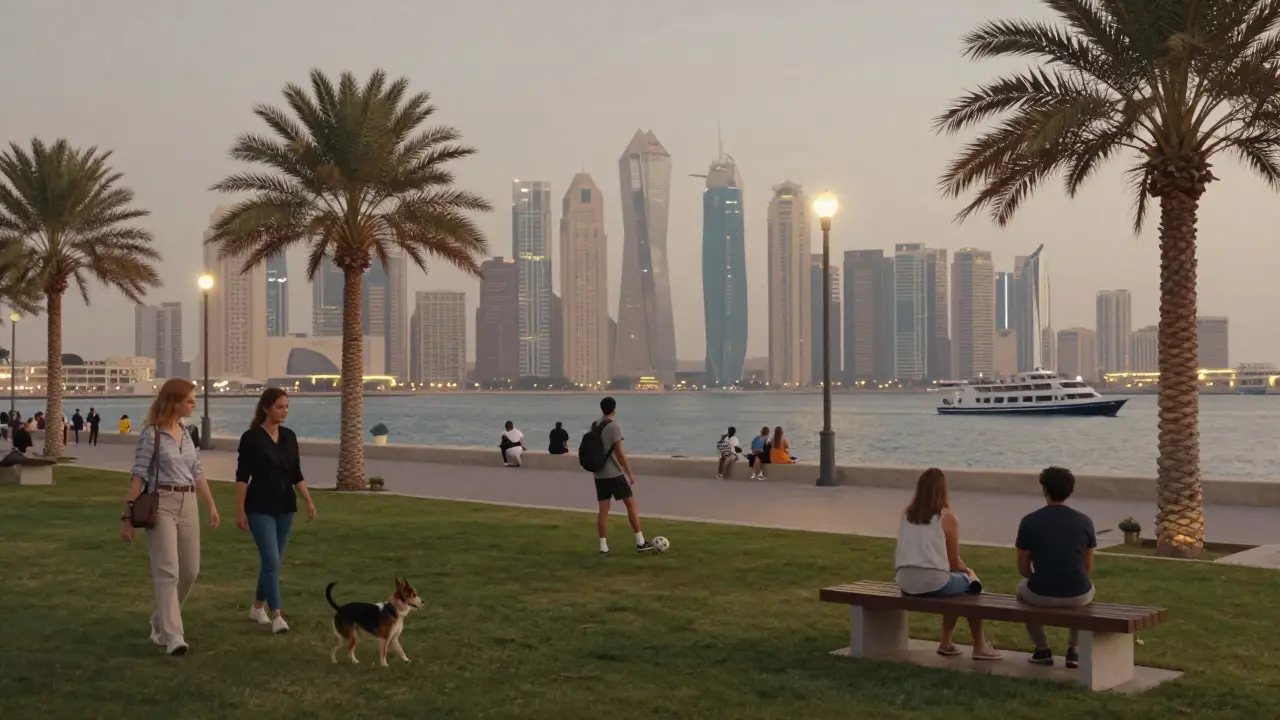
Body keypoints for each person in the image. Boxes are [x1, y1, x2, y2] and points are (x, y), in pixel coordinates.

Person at [119, 378, 221, 656]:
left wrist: (210, 505)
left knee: (190, 571)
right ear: (174, 402)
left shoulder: (187, 434)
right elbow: (138, 477)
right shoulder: (151, 434)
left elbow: (197, 471)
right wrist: (127, 518)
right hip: (161, 502)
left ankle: (160, 618)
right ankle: (174, 635)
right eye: (190, 400)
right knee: (168, 571)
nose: (194, 404)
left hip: (188, 502)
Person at [894, 468, 1001, 660]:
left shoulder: (907, 514)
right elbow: (953, 564)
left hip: (905, 580)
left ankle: (947, 643)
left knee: (956, 585)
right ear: (943, 490)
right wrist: (969, 571)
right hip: (933, 581)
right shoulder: (947, 518)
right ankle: (978, 646)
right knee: (971, 587)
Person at [235, 388, 317, 635]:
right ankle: (277, 615)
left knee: (273, 562)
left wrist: (309, 501)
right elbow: (241, 477)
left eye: (287, 407)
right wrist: (240, 511)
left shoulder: (290, 437)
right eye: (280, 407)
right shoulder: (251, 438)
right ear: (266, 408)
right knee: (271, 560)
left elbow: (296, 474)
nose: (284, 411)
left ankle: (257, 606)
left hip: (285, 506)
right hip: (259, 506)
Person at [1015, 466, 1097, 669]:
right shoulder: (1084, 521)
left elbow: (1023, 568)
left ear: (1045, 490)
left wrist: (1040, 577)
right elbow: (1087, 567)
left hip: (1041, 592)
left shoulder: (1029, 521)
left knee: (1021, 591)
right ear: (1070, 491)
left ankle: (1042, 649)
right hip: (1077, 594)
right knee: (1087, 591)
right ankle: (1074, 650)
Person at [590, 396, 656, 555]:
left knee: (603, 510)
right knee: (631, 504)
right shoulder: (614, 427)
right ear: (614, 409)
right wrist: (629, 473)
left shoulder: (594, 425)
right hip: (614, 473)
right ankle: (640, 541)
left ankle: (603, 546)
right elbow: (620, 453)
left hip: (599, 474)